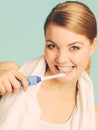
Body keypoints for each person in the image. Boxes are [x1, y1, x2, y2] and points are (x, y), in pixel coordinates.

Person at [0, 1, 98, 130]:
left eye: (74, 47)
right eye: (52, 46)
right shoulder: (11, 77)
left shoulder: (93, 119)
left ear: (93, 46)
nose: (61, 59)